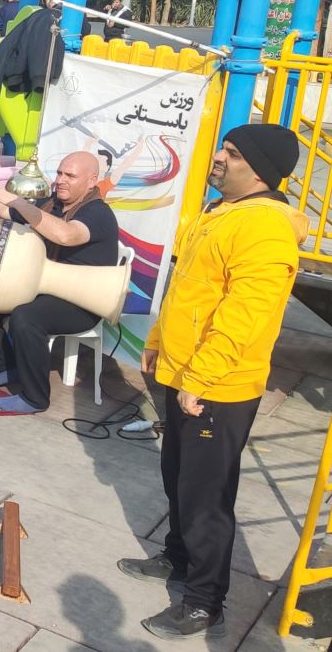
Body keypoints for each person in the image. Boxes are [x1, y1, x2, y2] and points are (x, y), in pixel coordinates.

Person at [118, 124, 307, 641]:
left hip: (218, 387)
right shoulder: (221, 210)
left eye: (234, 153)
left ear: (260, 171)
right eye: (224, 146)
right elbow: (186, 289)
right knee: (178, 476)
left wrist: (201, 376)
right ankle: (178, 556)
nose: (220, 156)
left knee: (206, 497)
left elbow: (245, 316)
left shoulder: (265, 228)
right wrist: (157, 341)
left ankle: (204, 603)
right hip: (185, 373)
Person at [0, 148, 120, 413]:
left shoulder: (98, 213)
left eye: (70, 176)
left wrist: (19, 202)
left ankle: (35, 398)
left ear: (91, 181)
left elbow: (66, 235)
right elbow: (2, 210)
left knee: (26, 317)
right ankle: (7, 366)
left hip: (82, 304)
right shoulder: (53, 203)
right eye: (60, 173)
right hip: (43, 290)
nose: (61, 180)